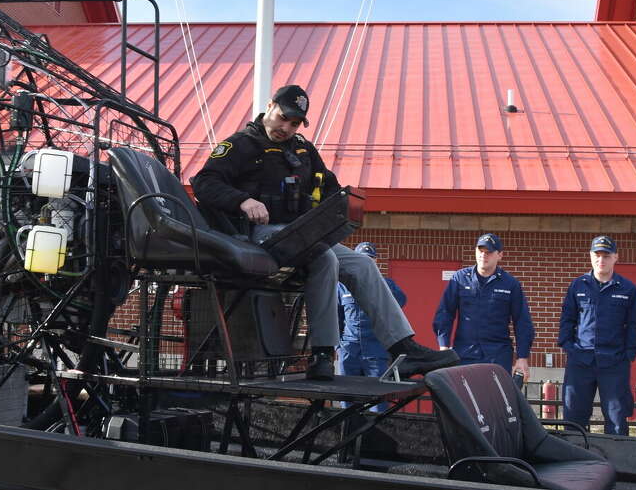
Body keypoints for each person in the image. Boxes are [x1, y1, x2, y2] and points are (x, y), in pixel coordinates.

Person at [191, 84, 457, 380]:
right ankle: (322, 355)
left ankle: (403, 351)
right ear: (270, 105)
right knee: (324, 257)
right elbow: (203, 183)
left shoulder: (303, 150)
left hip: (299, 237)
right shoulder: (240, 145)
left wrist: (339, 210)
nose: (286, 127)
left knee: (362, 264)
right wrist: (243, 200)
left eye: (294, 123)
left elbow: (330, 187)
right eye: (282, 117)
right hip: (258, 238)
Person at [557, 236, 636, 435]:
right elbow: (567, 320)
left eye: (606, 256)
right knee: (574, 418)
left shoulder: (627, 289)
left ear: (615, 257)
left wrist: (627, 355)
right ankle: (575, 459)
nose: (601, 260)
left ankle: (617, 463)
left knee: (616, 418)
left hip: (614, 363)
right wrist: (569, 348)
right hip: (580, 361)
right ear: (590, 257)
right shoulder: (578, 286)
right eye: (597, 255)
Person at [432, 233, 534, 383]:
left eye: (489, 252)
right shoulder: (459, 279)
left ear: (500, 255)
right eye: (480, 251)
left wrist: (522, 357)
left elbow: (522, 322)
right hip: (465, 354)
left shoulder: (510, 284)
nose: (483, 256)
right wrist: (444, 346)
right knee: (465, 402)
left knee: (495, 402)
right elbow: (445, 313)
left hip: (497, 356)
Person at [336, 242, 407, 378]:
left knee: (378, 395)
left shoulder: (387, 285)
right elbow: (336, 318)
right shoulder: (342, 286)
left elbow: (396, 311)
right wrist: (339, 347)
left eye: (370, 259)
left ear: (375, 261)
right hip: (349, 350)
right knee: (346, 394)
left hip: (376, 350)